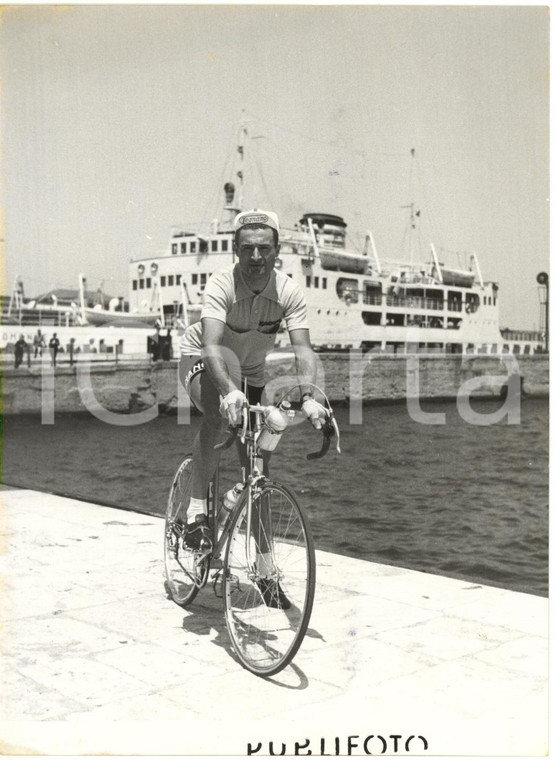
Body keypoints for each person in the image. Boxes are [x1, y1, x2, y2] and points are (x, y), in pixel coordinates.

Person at [179, 209, 328, 608]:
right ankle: (195, 513)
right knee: (217, 415)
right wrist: (228, 392)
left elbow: (303, 349)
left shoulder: (290, 292)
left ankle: (265, 572)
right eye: (248, 249)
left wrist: (310, 396)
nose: (256, 257)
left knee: (258, 472)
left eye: (265, 248)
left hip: (251, 372)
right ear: (235, 250)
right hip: (204, 359)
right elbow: (211, 346)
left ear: (278, 250)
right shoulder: (221, 283)